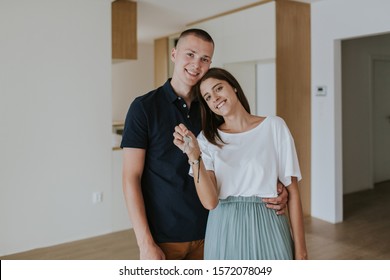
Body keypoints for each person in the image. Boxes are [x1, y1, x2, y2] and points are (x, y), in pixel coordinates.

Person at [121, 28, 288, 260]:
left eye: (204, 59)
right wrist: (145, 242)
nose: (196, 64)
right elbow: (131, 177)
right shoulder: (144, 108)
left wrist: (275, 187)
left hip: (216, 228)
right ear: (174, 54)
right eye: (190, 54)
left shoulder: (215, 108)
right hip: (165, 237)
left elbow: (244, 154)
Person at [173, 67, 308, 260]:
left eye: (218, 88)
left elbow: (293, 191)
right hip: (224, 227)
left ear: (234, 87)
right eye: (208, 97)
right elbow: (210, 202)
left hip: (269, 223)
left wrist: (301, 252)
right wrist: (194, 156)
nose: (215, 98)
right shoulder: (206, 140)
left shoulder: (274, 126)